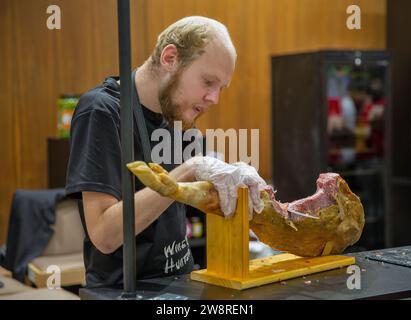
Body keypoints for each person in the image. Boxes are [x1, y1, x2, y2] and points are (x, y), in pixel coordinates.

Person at [65, 16, 266, 288]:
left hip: (182, 280)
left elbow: (205, 192)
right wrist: (188, 169)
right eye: (208, 82)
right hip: (124, 290)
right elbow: (104, 235)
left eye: (221, 88)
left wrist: (237, 181)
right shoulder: (102, 112)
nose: (214, 99)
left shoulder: (178, 117)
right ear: (170, 58)